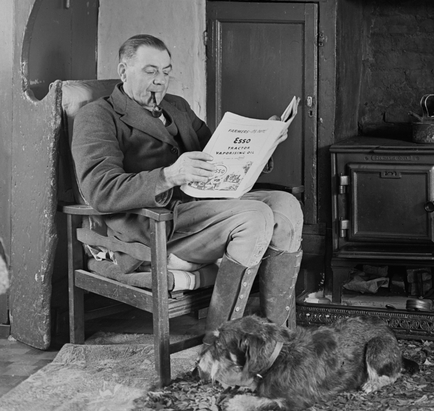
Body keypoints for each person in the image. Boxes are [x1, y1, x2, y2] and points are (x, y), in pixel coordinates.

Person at [71, 34, 304, 341]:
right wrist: (168, 176)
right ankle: (221, 343)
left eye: (166, 72)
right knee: (255, 216)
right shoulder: (99, 115)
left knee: (286, 206)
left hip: (200, 208)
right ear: (124, 71)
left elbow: (217, 158)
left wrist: (262, 144)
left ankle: (278, 338)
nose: (160, 81)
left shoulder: (177, 107)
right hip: (155, 223)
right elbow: (100, 190)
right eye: (150, 71)